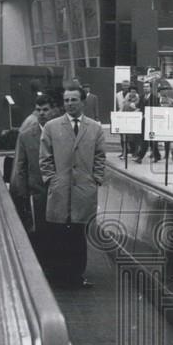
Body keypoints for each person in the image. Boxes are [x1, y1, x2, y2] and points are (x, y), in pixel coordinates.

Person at [39, 83, 106, 289]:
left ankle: (77, 275)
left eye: (73, 100)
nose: (69, 104)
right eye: (66, 100)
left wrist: (96, 179)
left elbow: (100, 157)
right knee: (59, 233)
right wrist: (51, 179)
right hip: (60, 188)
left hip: (83, 189)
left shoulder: (95, 128)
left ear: (82, 102)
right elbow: (45, 158)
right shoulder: (52, 127)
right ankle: (60, 275)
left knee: (78, 233)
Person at [10, 94, 54, 269]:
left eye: (45, 110)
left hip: (58, 191)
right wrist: (20, 192)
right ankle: (41, 267)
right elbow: (20, 164)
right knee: (39, 232)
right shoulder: (26, 135)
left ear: (52, 111)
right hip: (36, 191)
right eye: (39, 110)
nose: (42, 113)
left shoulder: (61, 131)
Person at [133, 81, 160, 162]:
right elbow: (139, 107)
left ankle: (140, 157)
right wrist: (136, 110)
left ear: (151, 88)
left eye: (147, 87)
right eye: (144, 87)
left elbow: (156, 110)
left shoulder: (155, 98)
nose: (145, 88)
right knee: (151, 141)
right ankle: (157, 155)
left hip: (151, 122)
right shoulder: (141, 97)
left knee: (145, 140)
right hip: (143, 121)